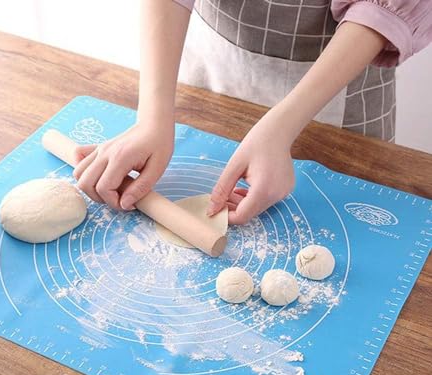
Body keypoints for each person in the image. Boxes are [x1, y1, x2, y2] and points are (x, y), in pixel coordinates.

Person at [74, 0, 432, 225]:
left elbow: (383, 9)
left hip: (339, 85)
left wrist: (282, 127)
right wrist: (152, 115)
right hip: (209, 74)